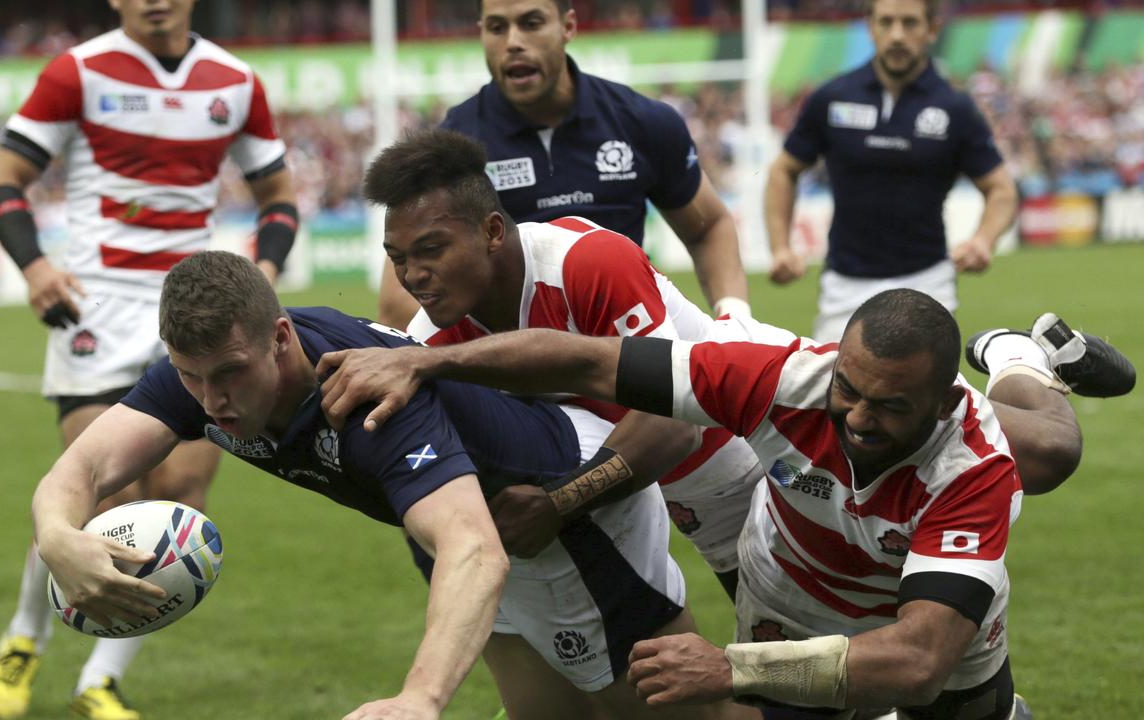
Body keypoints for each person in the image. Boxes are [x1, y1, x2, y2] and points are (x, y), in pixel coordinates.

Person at [315, 291, 1130, 719]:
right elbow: (592, 362)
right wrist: (429, 365)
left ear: (943, 402)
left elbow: (918, 662)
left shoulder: (973, 465)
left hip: (936, 641)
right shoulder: (784, 376)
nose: (856, 418)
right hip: (790, 608)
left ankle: (1020, 357)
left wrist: (725, 666)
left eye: (889, 408)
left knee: (1051, 451)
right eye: (849, 390)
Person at [33, 249, 732, 720]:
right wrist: (59, 536)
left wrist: (420, 699)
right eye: (190, 376)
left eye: (228, 374)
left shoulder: (367, 396)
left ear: (281, 339)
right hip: (456, 524)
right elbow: (81, 469)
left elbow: (478, 549)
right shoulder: (199, 375)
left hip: (559, 510)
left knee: (671, 712)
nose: (209, 398)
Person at [0, 1, 298, 718]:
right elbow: (3, 181)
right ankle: (25, 634)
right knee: (99, 495)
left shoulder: (235, 81)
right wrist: (33, 268)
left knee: (180, 497)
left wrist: (266, 272)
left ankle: (99, 678)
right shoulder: (78, 72)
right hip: (95, 308)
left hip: (196, 313)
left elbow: (278, 196)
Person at [366, 128, 791, 610]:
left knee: (834, 661)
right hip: (702, 500)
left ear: (492, 231)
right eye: (398, 259)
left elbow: (676, 427)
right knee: (773, 670)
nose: (412, 276)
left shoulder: (585, 262)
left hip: (784, 445)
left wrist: (558, 504)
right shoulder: (432, 339)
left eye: (431, 249)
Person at [376, 0, 749, 330]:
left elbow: (708, 226)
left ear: (568, 26)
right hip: (520, 374)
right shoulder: (455, 149)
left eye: (531, 23)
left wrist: (734, 314)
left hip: (629, 348)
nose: (513, 42)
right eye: (496, 27)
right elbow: (398, 300)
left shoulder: (642, 122)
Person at [763, 0, 1020, 342]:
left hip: (928, 283)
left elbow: (1001, 189)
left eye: (910, 23)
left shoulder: (955, 108)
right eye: (886, 22)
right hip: (844, 286)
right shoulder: (832, 98)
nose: (897, 35)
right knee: (836, 395)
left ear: (932, 29)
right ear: (870, 26)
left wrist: (983, 241)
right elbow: (783, 170)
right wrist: (781, 247)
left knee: (924, 396)